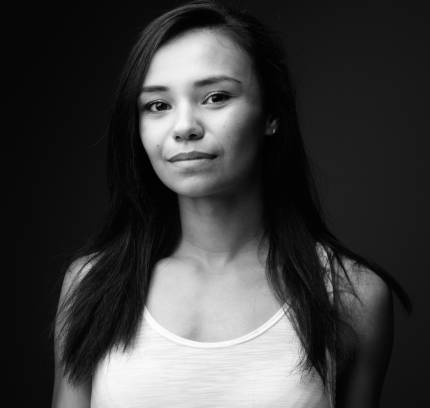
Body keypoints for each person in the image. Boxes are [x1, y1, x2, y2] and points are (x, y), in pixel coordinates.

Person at [51, 1, 411, 407]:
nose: (184, 127)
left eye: (216, 97)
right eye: (158, 105)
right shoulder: (92, 284)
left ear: (272, 113)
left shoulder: (350, 296)